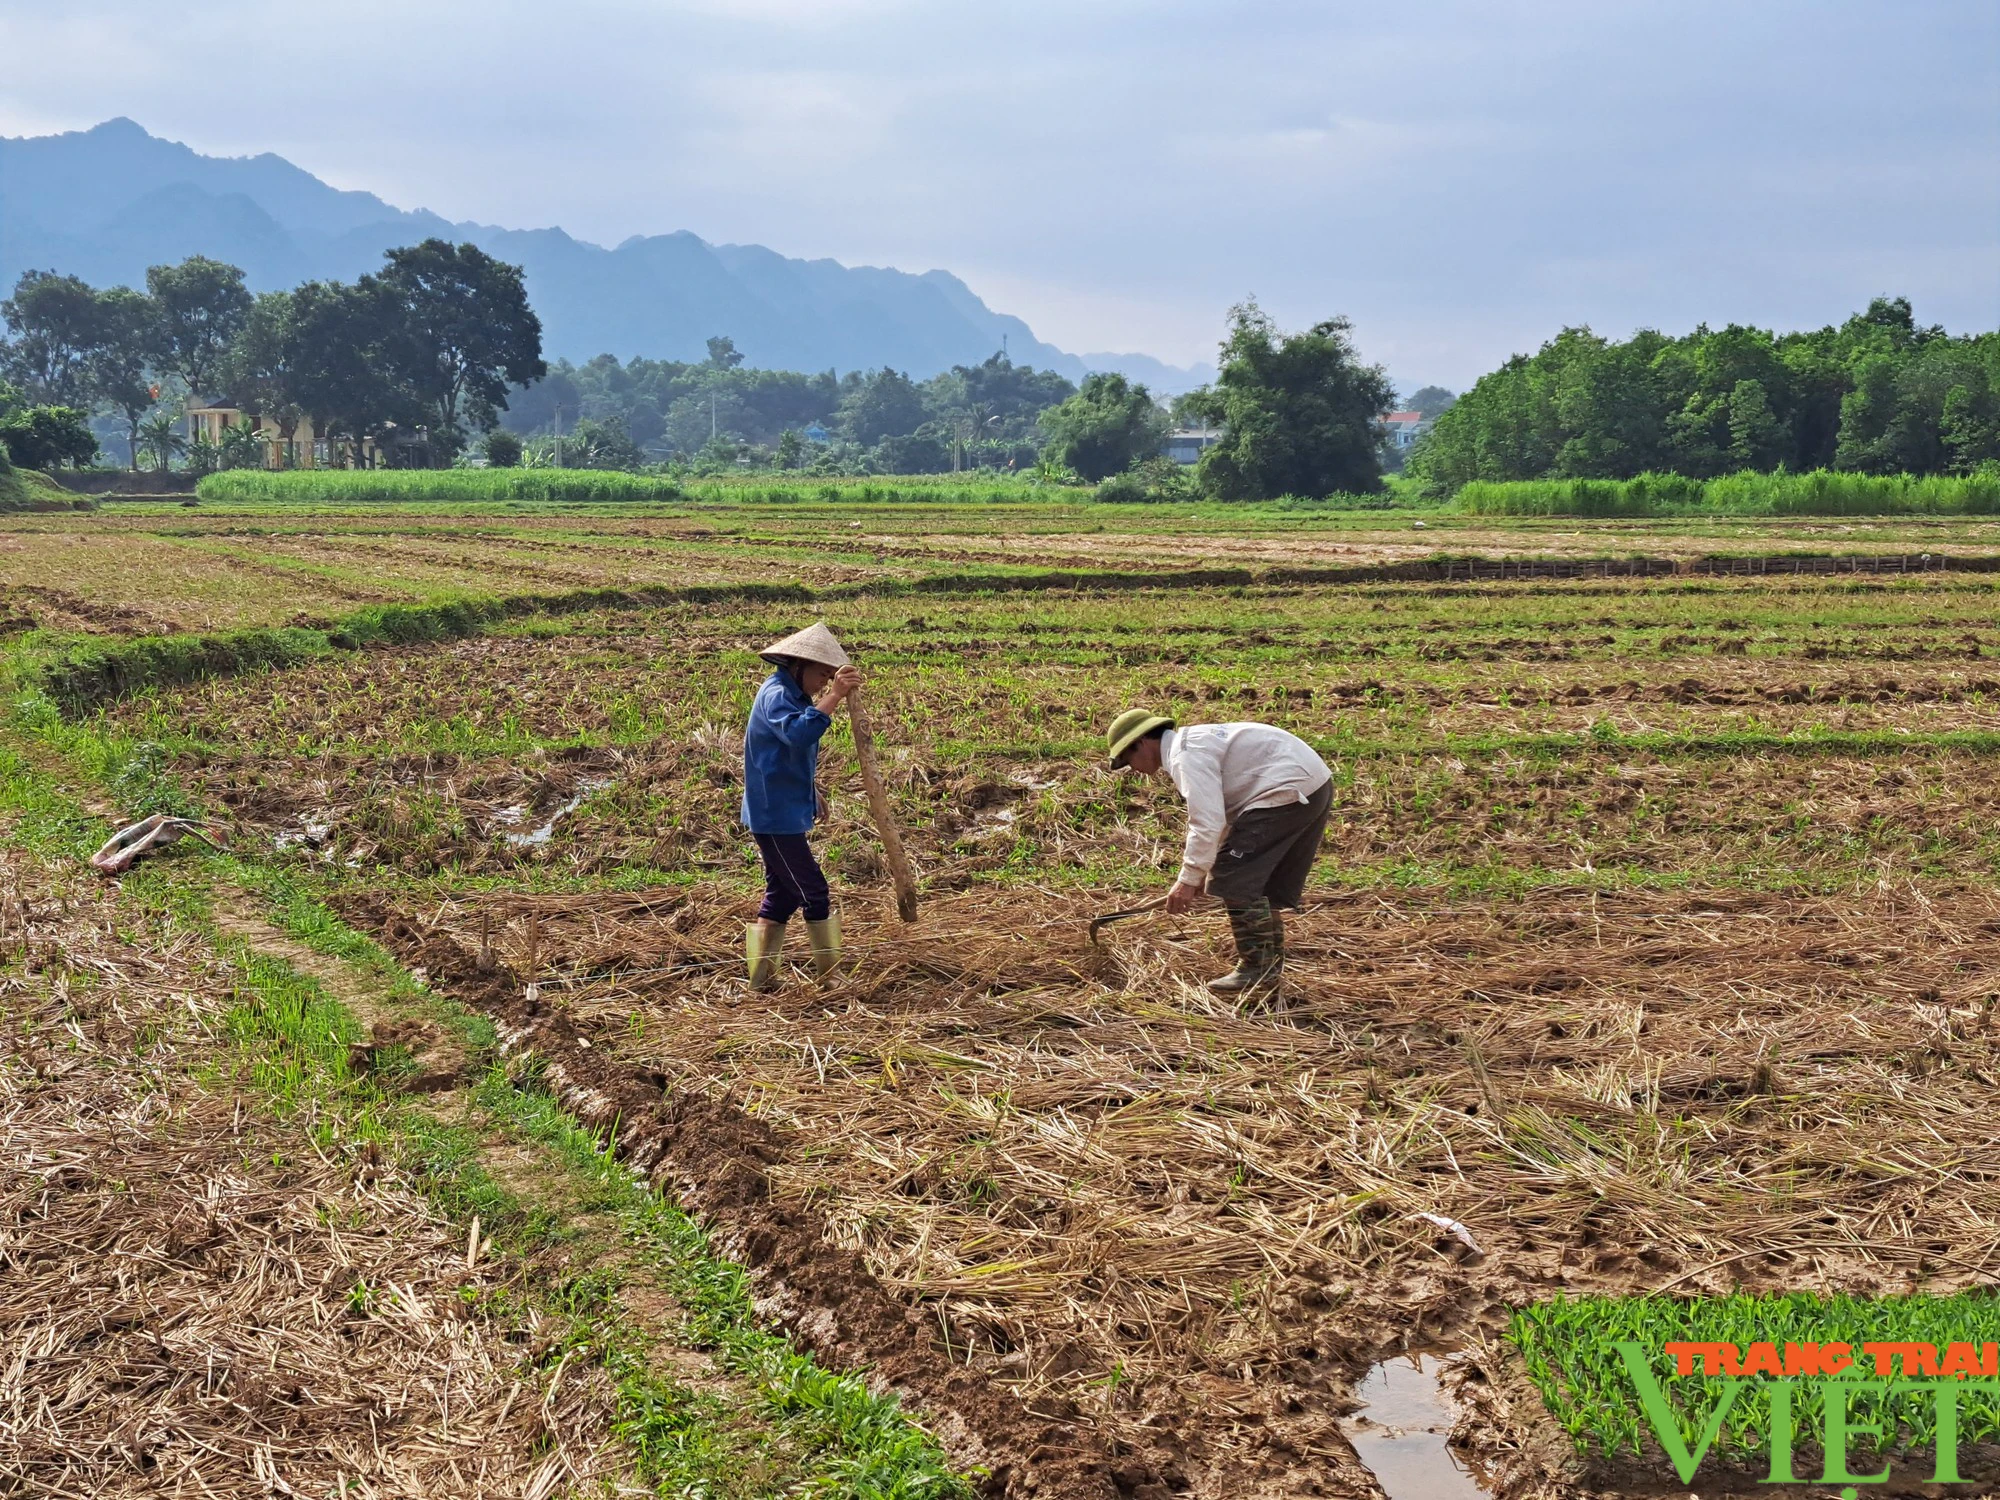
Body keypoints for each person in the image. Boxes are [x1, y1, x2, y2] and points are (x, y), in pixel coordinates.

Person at [1104, 708, 1333, 1000]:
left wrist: (1188, 880)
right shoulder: (1193, 743)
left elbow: (1206, 822)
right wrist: (1202, 869)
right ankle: (1267, 969)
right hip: (1311, 785)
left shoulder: (1185, 757)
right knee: (1257, 884)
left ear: (1141, 743)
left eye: (1127, 758)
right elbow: (1225, 820)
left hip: (1286, 790)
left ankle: (1257, 969)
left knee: (1234, 876)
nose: (1131, 768)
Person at [741, 622, 862, 990]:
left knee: (782, 894)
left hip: (784, 807)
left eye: (830, 677)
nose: (824, 683)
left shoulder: (794, 696)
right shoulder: (776, 693)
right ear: (799, 665)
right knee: (813, 891)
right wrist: (836, 697)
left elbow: (789, 754)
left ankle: (760, 980)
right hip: (773, 813)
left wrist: (812, 790)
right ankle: (830, 976)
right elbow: (797, 733)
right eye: (822, 675)